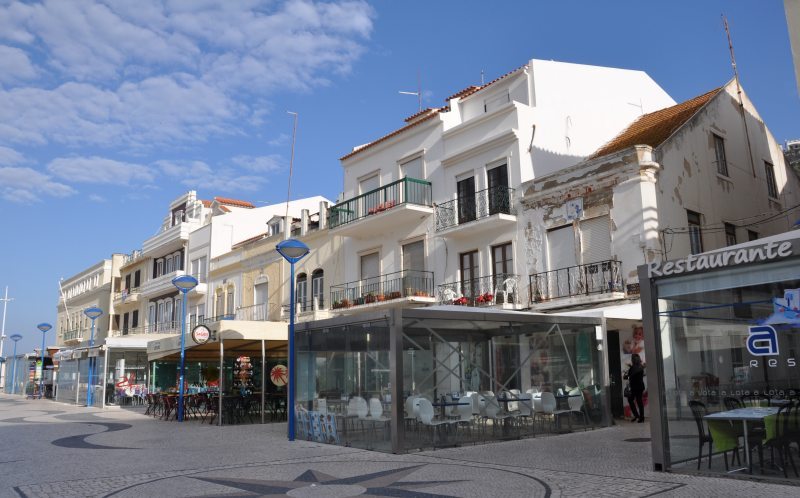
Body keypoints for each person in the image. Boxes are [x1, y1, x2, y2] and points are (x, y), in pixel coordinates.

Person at [624, 353, 646, 422]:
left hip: (634, 387)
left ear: (633, 360)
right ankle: (640, 417)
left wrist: (626, 373)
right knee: (639, 402)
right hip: (640, 387)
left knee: (631, 400)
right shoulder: (640, 367)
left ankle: (637, 416)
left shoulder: (633, 368)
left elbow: (627, 376)